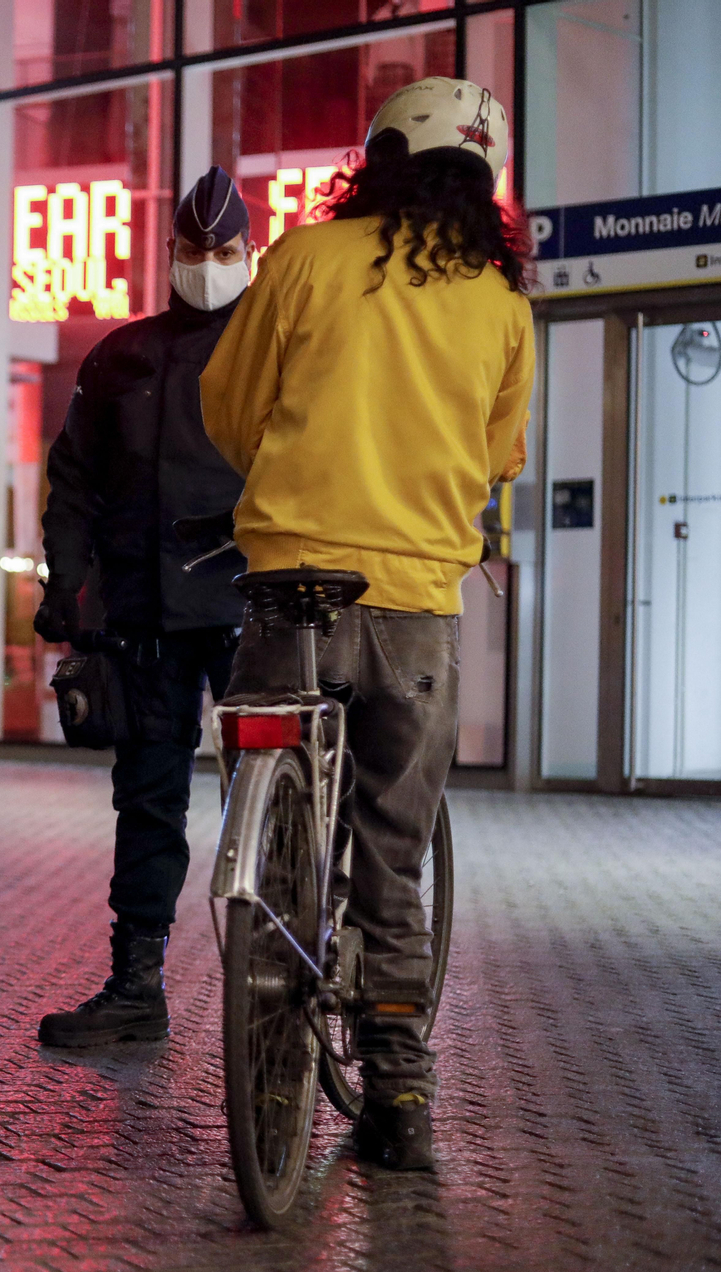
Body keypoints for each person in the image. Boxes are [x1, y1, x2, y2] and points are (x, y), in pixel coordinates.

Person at [200, 78, 534, 1170]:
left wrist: (289, 474)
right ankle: (397, 1101)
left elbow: (231, 400)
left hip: (289, 579)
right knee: (393, 846)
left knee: (273, 792)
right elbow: (497, 457)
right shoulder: (497, 304)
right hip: (413, 605)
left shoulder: (302, 258)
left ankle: (266, 882)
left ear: (380, 154)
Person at [33, 168, 256, 1048]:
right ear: (170, 253)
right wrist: (66, 584)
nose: (209, 265)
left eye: (226, 251)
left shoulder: (278, 347)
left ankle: (289, 960)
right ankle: (136, 984)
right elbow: (74, 482)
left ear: (252, 254)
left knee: (273, 795)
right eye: (196, 250)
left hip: (251, 605)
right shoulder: (119, 356)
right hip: (146, 613)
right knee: (149, 800)